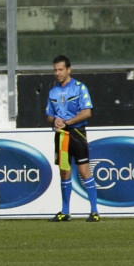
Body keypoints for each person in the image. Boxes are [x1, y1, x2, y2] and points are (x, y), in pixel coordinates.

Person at [46, 54, 99, 222]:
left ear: (69, 70)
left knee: (84, 171)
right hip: (61, 135)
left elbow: (87, 112)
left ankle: (94, 211)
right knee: (64, 172)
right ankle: (65, 211)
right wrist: (55, 120)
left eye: (60, 69)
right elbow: (48, 115)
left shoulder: (79, 88)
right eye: (55, 70)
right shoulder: (53, 91)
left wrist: (68, 122)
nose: (57, 73)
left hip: (77, 134)